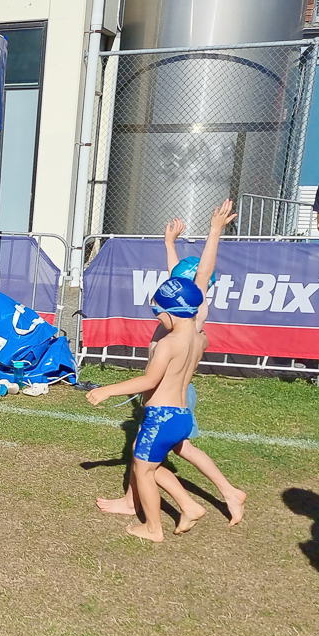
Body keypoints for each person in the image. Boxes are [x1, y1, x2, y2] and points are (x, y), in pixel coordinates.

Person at [96, 203, 246, 526]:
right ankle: (136, 501)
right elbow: (180, 279)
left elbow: (202, 274)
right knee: (158, 450)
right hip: (165, 392)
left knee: (157, 454)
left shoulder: (194, 312)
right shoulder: (180, 309)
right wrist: (169, 244)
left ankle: (219, 495)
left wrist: (215, 231)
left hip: (171, 394)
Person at [88, 277, 213, 542]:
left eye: (157, 312)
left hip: (161, 418)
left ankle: (153, 528)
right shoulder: (200, 340)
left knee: (144, 472)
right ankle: (189, 506)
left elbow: (150, 380)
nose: (156, 318)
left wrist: (108, 390)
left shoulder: (169, 343)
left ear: (170, 312)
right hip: (182, 415)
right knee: (143, 460)